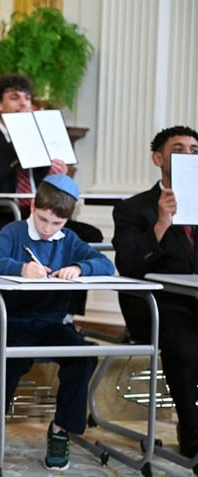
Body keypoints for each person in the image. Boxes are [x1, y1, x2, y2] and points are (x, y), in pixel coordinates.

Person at [0, 174, 112, 471]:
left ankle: (61, 429)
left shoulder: (69, 240)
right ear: (33, 208)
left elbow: (105, 264)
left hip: (51, 323)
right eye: (43, 220)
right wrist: (20, 267)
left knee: (83, 355)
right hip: (11, 320)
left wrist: (80, 267)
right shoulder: (13, 233)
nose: (47, 229)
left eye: (57, 224)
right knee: (16, 352)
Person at [0, 73, 102, 319]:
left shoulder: (43, 138)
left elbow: (52, 192)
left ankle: (66, 313)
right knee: (10, 238)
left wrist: (57, 174)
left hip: (39, 213)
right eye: (15, 98)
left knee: (89, 235)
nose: (24, 104)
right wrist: (19, 143)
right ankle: (6, 315)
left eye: (27, 99)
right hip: (1, 214)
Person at [112, 125, 198, 458]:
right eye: (179, 149)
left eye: (194, 150)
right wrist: (162, 223)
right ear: (158, 158)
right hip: (158, 303)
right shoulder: (134, 208)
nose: (189, 155)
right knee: (185, 345)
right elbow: (129, 264)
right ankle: (192, 430)